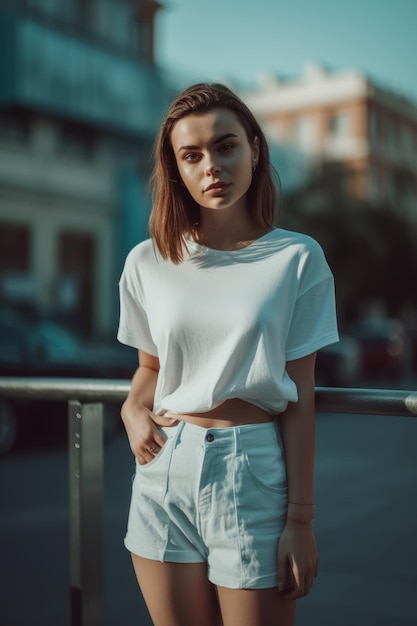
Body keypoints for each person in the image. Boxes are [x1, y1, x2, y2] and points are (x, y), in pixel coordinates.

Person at [117, 82, 339, 626]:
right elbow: (150, 368)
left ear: (254, 149)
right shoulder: (148, 260)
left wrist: (302, 519)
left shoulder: (296, 258)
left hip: (251, 469)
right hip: (163, 469)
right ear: (175, 168)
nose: (211, 166)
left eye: (226, 146)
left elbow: (301, 395)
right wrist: (130, 407)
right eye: (191, 155)